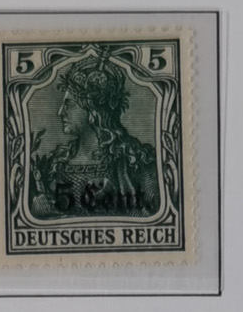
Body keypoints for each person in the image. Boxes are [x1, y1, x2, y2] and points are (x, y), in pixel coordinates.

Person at [27, 47, 162, 219]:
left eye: (69, 105)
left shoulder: (135, 162)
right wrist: (38, 208)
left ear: (93, 111)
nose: (60, 112)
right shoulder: (55, 164)